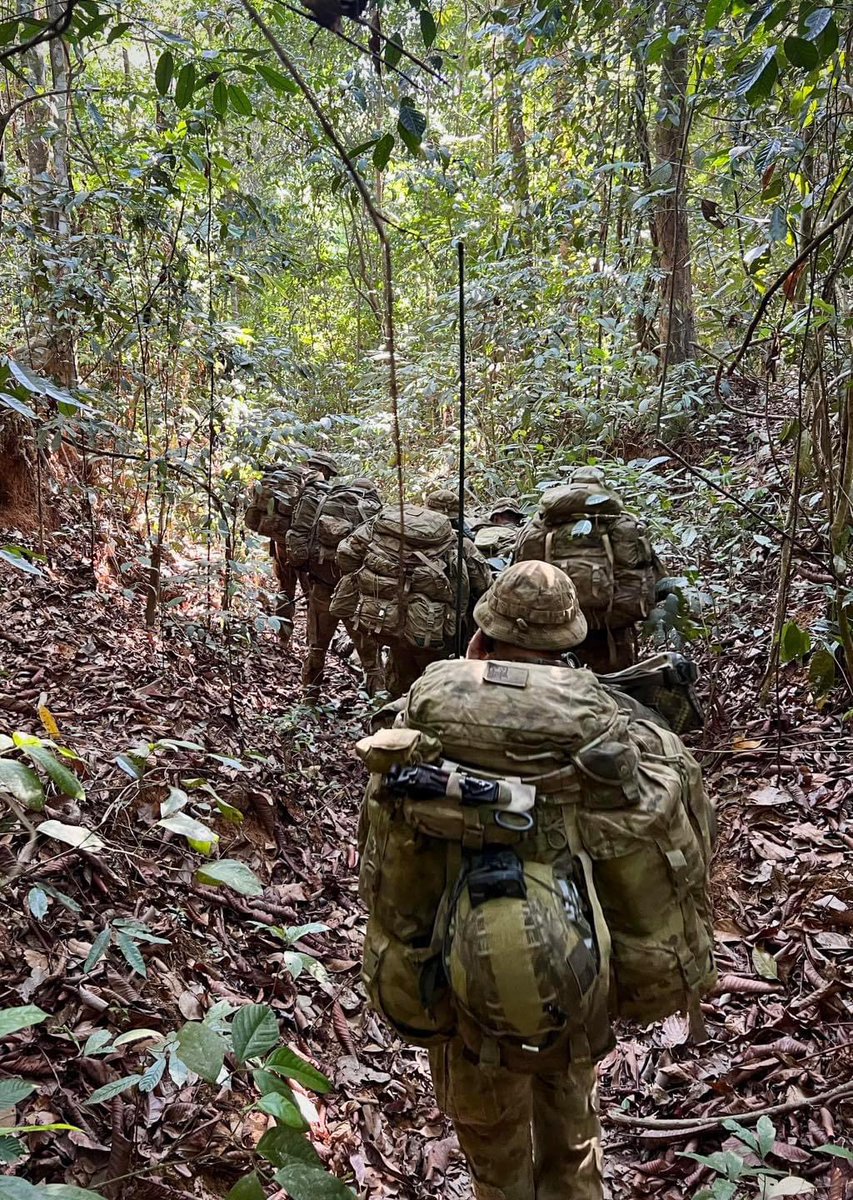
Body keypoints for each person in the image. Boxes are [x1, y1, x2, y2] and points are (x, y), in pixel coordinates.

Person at [354, 561, 715, 1200]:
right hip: (576, 977)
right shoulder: (603, 727)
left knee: (496, 1169)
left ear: (481, 639)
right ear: (569, 646)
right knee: (573, 1148)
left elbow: (387, 874)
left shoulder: (423, 714)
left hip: (457, 989)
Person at [514, 467, 662, 672]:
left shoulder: (540, 526)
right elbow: (654, 578)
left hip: (553, 632)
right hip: (610, 631)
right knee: (615, 690)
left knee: (560, 689)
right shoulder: (621, 524)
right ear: (602, 485)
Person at [297, 476, 385, 702]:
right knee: (371, 658)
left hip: (322, 587)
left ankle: (309, 699)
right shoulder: (373, 513)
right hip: (357, 593)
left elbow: (306, 545)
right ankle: (378, 706)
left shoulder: (325, 504)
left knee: (317, 647)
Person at [473, 497, 526, 572]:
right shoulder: (486, 531)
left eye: (516, 517)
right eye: (509, 516)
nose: (513, 520)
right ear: (496, 517)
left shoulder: (518, 530)